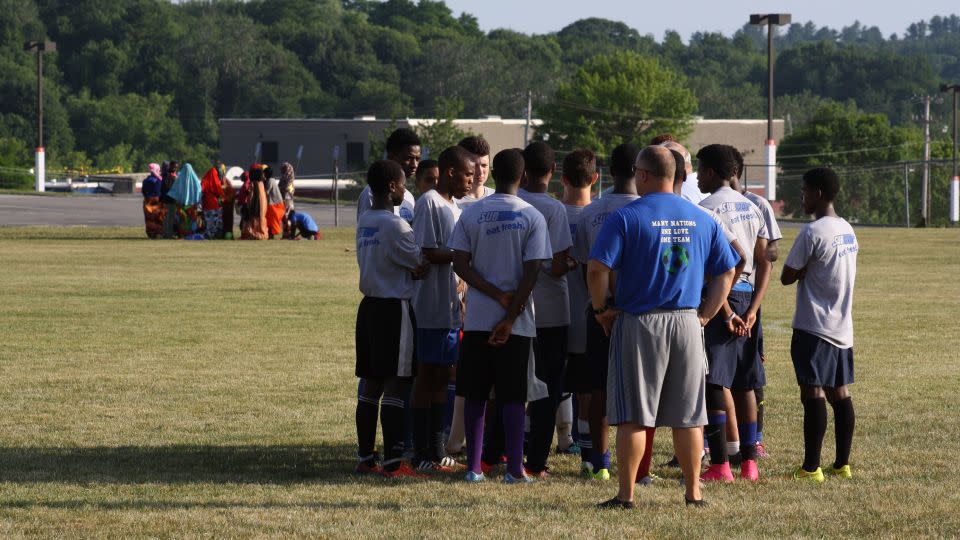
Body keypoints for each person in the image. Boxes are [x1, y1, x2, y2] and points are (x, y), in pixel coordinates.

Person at [588, 146, 739, 509]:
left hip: (640, 322)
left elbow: (596, 269)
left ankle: (626, 495)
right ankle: (693, 493)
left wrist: (600, 309)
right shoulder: (701, 217)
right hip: (687, 322)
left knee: (634, 414)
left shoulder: (627, 217)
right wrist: (704, 315)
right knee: (689, 416)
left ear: (642, 175)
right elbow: (728, 271)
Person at [448, 148, 551, 484]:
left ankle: (474, 468)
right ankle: (512, 470)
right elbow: (534, 270)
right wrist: (509, 315)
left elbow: (459, 263)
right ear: (522, 177)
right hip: (517, 323)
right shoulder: (531, 215)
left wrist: (491, 294)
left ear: (493, 176)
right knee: (513, 396)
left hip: (477, 318)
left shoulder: (472, 214)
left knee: (476, 393)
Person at [696, 144, 771, 483]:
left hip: (720, 301)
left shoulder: (705, 208)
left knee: (714, 380)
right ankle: (750, 464)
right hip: (749, 301)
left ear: (712, 171)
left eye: (700, 169)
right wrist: (753, 309)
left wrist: (723, 311)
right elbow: (764, 260)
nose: (697, 176)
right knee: (745, 383)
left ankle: (720, 465)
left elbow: (717, 270)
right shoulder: (752, 206)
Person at [782, 167, 858, 483]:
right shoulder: (847, 229)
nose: (802, 196)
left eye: (805, 190)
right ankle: (842, 464)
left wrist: (802, 271)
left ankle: (811, 468)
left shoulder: (812, 232)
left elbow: (787, 275)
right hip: (842, 326)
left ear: (819, 193)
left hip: (814, 325)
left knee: (812, 391)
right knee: (838, 392)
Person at [354, 160, 429, 479]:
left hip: (369, 306)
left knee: (370, 383)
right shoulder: (395, 225)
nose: (405, 190)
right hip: (393, 308)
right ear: (391, 188)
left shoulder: (366, 220)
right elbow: (419, 263)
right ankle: (394, 463)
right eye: (401, 185)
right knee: (397, 383)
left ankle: (365, 456)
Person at [572, 143, 640, 481]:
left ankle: (600, 461)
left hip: (598, 310)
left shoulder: (591, 213)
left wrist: (599, 306)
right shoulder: (649, 210)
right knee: (642, 388)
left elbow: (587, 266)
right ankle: (640, 468)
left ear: (609, 172)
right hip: (640, 310)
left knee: (598, 386)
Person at [410, 146, 474, 472]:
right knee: (427, 376)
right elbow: (427, 251)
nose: (472, 180)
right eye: (467, 174)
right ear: (451, 172)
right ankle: (420, 450)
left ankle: (437, 450)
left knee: (441, 378)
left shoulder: (457, 208)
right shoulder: (429, 203)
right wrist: (462, 257)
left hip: (451, 307)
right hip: (431, 306)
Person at [518, 141, 575, 478]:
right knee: (547, 387)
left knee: (512, 385)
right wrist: (568, 262)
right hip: (550, 309)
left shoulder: (513, 202)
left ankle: (500, 451)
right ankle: (536, 460)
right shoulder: (553, 209)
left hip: (516, 306)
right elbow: (555, 265)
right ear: (553, 172)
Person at [732, 151, 782, 457]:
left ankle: (756, 438)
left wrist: (759, 250)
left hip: (748, 292)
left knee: (751, 367)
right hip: (723, 291)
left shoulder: (758, 204)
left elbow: (771, 254)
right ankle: (719, 440)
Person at [559, 149, 600, 472]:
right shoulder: (599, 217)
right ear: (595, 178)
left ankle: (535, 449)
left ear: (562, 179)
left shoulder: (551, 213)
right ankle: (588, 455)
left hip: (552, 315)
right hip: (589, 315)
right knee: (587, 389)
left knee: (546, 385)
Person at [357, 128, 419, 224]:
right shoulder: (373, 193)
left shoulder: (409, 197)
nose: (414, 165)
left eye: (417, 159)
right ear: (392, 156)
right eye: (408, 158)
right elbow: (369, 232)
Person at [456, 136, 494, 208]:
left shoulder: (497, 198)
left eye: (484, 165)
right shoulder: (450, 201)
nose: (480, 172)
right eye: (474, 166)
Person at [167, 163, 203, 238]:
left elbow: (174, 191)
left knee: (183, 221)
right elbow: (199, 191)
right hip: (192, 206)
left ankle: (182, 234)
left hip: (181, 206)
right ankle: (191, 233)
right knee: (191, 221)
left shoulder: (179, 180)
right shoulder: (195, 181)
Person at [240, 165, 269, 240]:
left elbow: (252, 198)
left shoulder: (254, 184)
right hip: (262, 209)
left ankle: (254, 233)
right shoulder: (261, 184)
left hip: (256, 209)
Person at [200, 166, 225, 239]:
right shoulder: (214, 177)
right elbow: (219, 190)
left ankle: (208, 234)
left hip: (205, 202)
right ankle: (212, 235)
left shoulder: (205, 178)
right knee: (214, 220)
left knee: (207, 220)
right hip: (213, 202)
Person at [142, 163, 165, 239]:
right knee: (158, 218)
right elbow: (159, 191)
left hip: (147, 202)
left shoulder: (145, 180)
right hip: (156, 202)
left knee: (149, 219)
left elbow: (143, 191)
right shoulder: (158, 180)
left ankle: (150, 233)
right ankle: (158, 233)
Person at [160, 161, 180, 239]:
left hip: (171, 199)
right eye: (174, 167)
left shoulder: (173, 175)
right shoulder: (168, 175)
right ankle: (168, 234)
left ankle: (167, 233)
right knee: (168, 217)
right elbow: (168, 187)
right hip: (168, 199)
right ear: (170, 166)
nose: (175, 169)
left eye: (176, 167)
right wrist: (174, 179)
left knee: (170, 217)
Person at [220, 165, 237, 239]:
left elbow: (231, 193)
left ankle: (227, 234)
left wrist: (224, 199)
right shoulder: (225, 181)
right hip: (223, 206)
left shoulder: (226, 181)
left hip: (226, 206)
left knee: (227, 221)